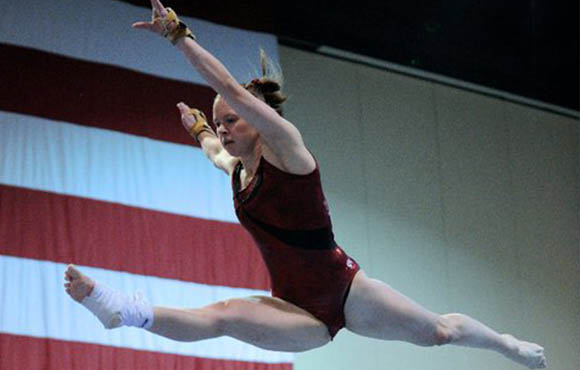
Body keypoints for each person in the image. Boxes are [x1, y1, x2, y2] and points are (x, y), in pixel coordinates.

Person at [64, 1, 547, 368]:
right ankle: (123, 312)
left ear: (262, 119)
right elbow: (215, 150)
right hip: (298, 313)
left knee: (438, 332)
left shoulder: (290, 151)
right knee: (225, 314)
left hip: (346, 292)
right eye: (222, 123)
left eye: (232, 120)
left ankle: (507, 345)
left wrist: (177, 36)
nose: (226, 129)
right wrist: (201, 129)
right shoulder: (238, 171)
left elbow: (232, 89)